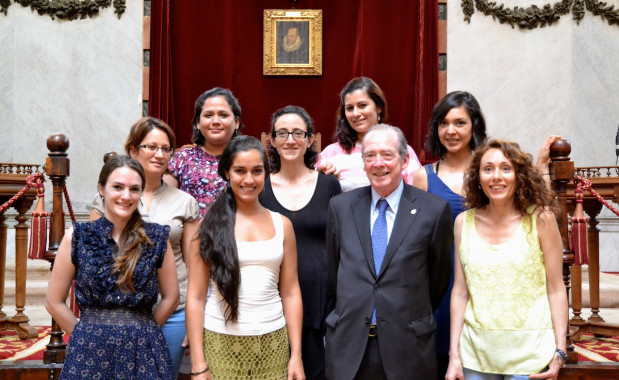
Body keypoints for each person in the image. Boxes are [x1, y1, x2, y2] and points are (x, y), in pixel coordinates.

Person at [325, 124, 453, 380]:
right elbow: (334, 270)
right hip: (350, 346)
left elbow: (437, 280)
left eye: (387, 154)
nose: (378, 163)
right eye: (370, 155)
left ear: (405, 160)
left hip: (408, 347)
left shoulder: (433, 210)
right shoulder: (341, 207)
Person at [46, 156, 179, 379]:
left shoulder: (155, 237)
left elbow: (171, 297)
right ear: (102, 189)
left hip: (143, 352)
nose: (126, 196)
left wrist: (145, 332)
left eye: (134, 189)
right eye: (118, 187)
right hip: (88, 352)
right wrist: (84, 335)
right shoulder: (78, 236)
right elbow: (53, 301)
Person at [446, 139, 568, 380]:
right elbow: (460, 292)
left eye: (506, 168)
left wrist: (560, 352)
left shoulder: (541, 219)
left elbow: (555, 288)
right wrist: (454, 356)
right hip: (476, 356)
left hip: (531, 356)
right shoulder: (463, 223)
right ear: (478, 178)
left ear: (519, 175)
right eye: (488, 168)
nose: (496, 177)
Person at [185, 136, 306, 380]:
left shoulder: (283, 225)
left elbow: (291, 292)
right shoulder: (206, 228)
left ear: (266, 173)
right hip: (220, 343)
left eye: (257, 171)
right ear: (227, 173)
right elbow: (196, 297)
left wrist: (296, 356)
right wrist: (198, 364)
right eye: (240, 171)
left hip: (273, 343)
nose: (249, 180)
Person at [89, 117, 199, 376]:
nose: (159, 154)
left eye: (166, 148)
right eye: (151, 147)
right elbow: (94, 260)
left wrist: (196, 321)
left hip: (173, 309)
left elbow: (195, 265)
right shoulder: (109, 197)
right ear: (133, 150)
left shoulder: (185, 202)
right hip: (120, 313)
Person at [259, 105, 342, 380]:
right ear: (271, 140)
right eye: (282, 133)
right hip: (271, 301)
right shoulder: (259, 187)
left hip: (321, 301)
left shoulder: (329, 184)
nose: (290, 140)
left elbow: (340, 243)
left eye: (298, 133)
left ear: (310, 140)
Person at [412, 91, 487, 379]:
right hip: (440, 280)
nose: (451, 131)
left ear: (474, 127)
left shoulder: (489, 172)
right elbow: (415, 237)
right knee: (441, 359)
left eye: (460, 123)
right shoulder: (423, 177)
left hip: (483, 279)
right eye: (444, 123)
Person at [316, 77, 421, 192]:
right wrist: (325, 179)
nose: (355, 113)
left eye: (362, 105)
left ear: (378, 107)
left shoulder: (401, 149)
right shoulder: (330, 153)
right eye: (350, 108)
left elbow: (416, 195)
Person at [165, 87, 243, 217]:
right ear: (198, 123)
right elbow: (164, 202)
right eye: (208, 115)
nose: (216, 121)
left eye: (223, 115)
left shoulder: (247, 158)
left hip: (240, 234)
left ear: (236, 122)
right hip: (190, 235)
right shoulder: (182, 158)